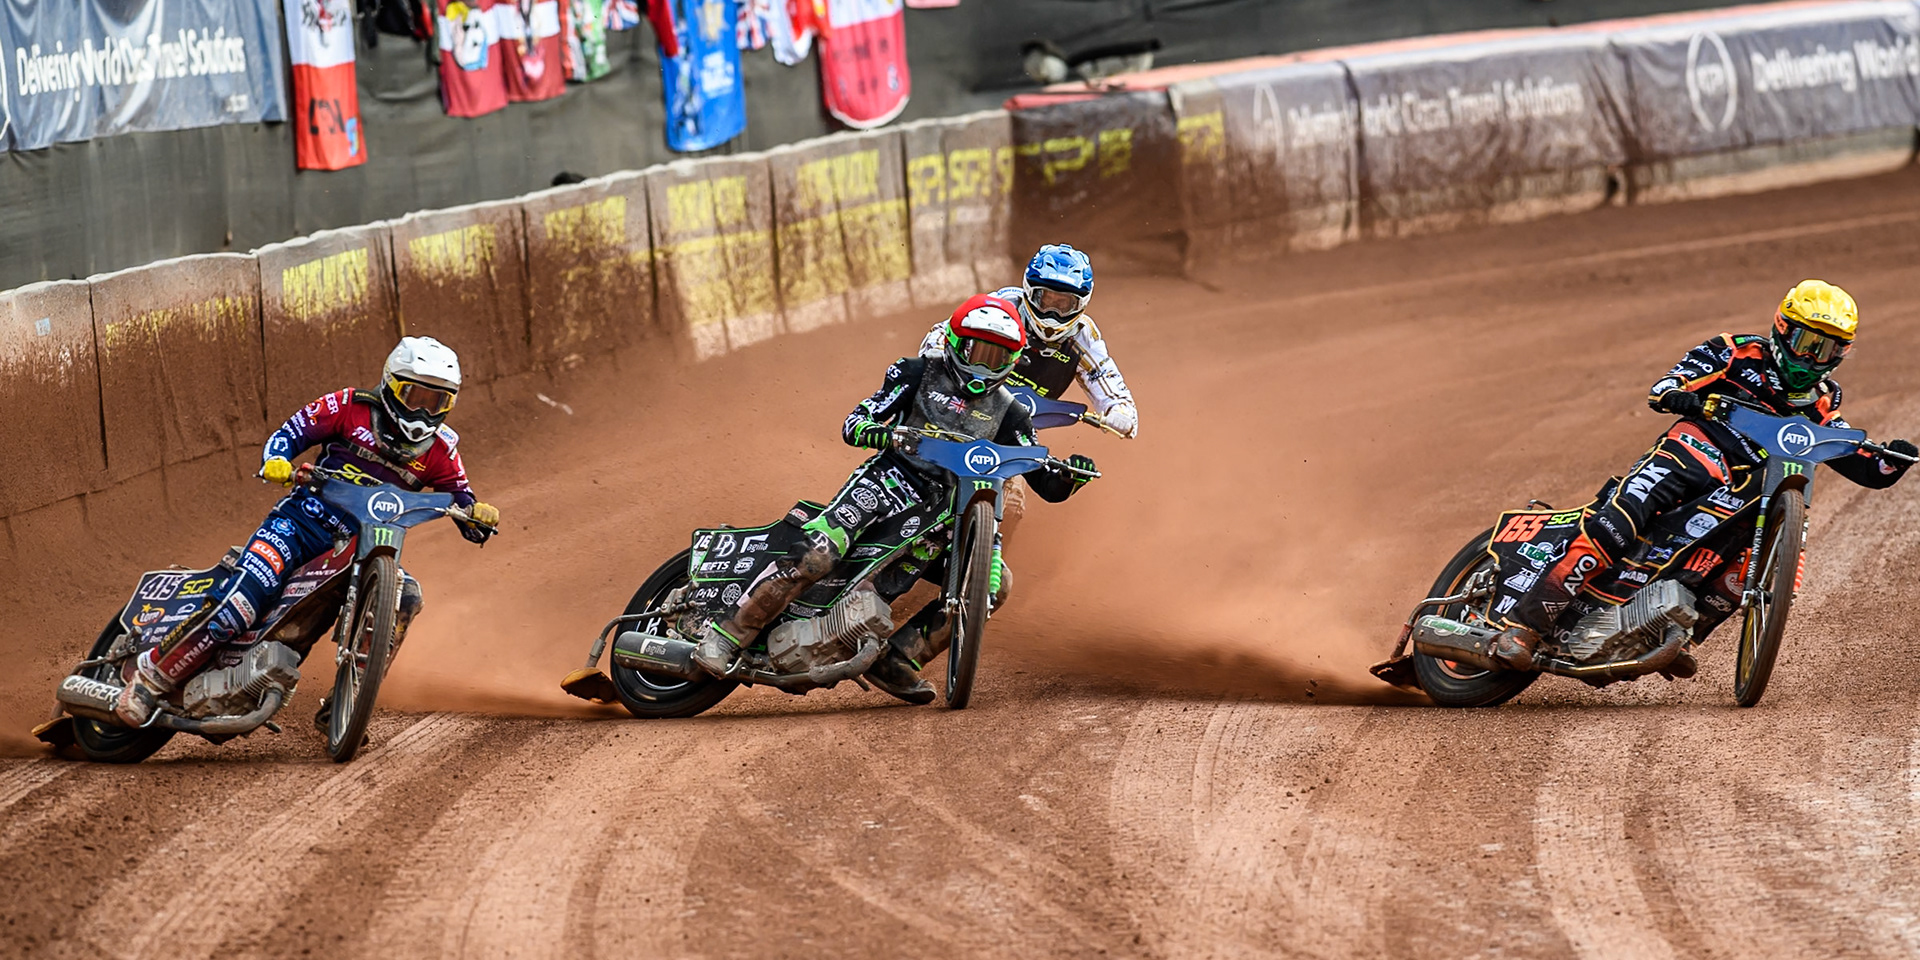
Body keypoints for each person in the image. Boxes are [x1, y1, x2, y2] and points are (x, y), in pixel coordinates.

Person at [692, 294, 1097, 703]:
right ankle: (729, 635)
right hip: (887, 482)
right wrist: (890, 434)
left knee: (998, 583)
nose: (982, 365)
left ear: (1013, 360)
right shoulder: (916, 372)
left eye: (996, 356)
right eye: (977, 350)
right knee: (820, 551)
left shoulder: (1011, 413)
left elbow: (1044, 480)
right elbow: (855, 424)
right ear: (956, 343)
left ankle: (898, 658)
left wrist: (1071, 474)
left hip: (945, 512)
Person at [1492, 279, 1917, 668]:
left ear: (1839, 355)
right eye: (1806, 341)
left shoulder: (1823, 399)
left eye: (1824, 349)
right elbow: (1670, 385)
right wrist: (1680, 395)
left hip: (1746, 487)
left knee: (1751, 559)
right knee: (1621, 519)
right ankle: (1525, 627)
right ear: (1783, 330)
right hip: (1692, 451)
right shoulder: (1735, 350)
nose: (1810, 357)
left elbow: (1852, 455)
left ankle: (1679, 635)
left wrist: (1890, 461)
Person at [114, 337, 501, 726]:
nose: (422, 410)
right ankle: (149, 680)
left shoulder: (443, 449)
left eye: (437, 402)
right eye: (415, 395)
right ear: (391, 385)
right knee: (239, 607)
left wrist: (476, 517)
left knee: (407, 597)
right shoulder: (350, 406)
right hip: (299, 525)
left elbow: (461, 498)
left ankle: (345, 703)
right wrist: (277, 460)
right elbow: (288, 434)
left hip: (362, 547)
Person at [919, 243, 1139, 440]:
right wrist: (935, 358)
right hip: (957, 401)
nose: (1052, 313)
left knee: (1015, 479)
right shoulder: (1003, 306)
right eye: (1045, 299)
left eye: (1064, 305)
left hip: (1011, 428)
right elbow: (944, 332)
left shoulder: (1082, 336)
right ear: (1029, 291)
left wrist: (1120, 411)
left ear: (1081, 304)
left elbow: (1103, 375)